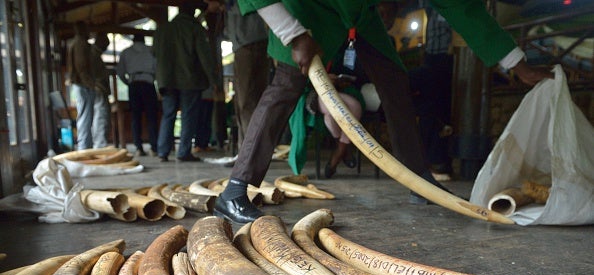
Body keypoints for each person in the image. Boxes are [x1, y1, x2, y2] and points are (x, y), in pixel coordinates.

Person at [213, 0, 553, 224]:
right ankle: (234, 191)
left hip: (359, 14)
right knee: (287, 84)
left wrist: (516, 64)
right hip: (307, 9)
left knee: (395, 82)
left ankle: (419, 182)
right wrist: (292, 33)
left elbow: (460, 6)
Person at [153, 1, 218, 162]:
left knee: (168, 114)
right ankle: (183, 152)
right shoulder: (194, 28)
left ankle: (163, 152)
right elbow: (205, 57)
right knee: (188, 116)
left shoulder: (163, 29)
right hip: (190, 80)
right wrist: (214, 80)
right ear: (192, 12)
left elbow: (154, 52)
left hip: (167, 80)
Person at [408, 0, 455, 180]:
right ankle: (430, 162)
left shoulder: (452, 7)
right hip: (431, 58)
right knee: (430, 110)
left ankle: (439, 163)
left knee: (439, 111)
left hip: (446, 59)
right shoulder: (429, 7)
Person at [224, 0, 270, 149]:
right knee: (252, 99)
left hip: (248, 44)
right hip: (253, 43)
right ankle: (249, 147)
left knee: (246, 101)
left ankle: (249, 148)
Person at [116, 34, 159, 157]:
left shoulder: (126, 52)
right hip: (148, 84)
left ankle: (138, 146)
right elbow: (157, 69)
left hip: (134, 84)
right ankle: (154, 147)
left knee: (136, 117)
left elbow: (120, 72)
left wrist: (128, 82)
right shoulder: (151, 50)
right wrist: (152, 78)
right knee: (152, 116)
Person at [67, 21, 95, 150]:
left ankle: (86, 148)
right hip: (83, 85)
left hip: (82, 84)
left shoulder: (76, 43)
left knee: (85, 117)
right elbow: (81, 66)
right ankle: (84, 149)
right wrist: (91, 84)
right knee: (85, 118)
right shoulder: (80, 44)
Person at [90, 32, 111, 149]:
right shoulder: (93, 54)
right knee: (100, 117)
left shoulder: (95, 54)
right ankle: (100, 145)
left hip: (98, 89)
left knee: (100, 117)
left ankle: (99, 144)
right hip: (98, 89)